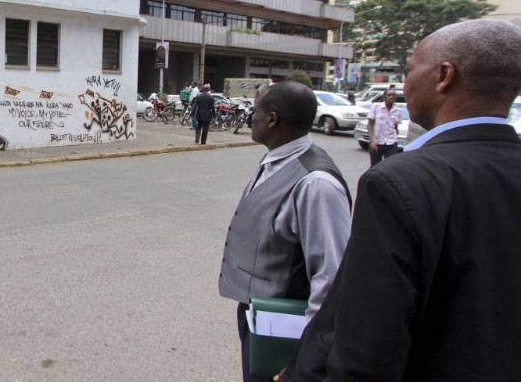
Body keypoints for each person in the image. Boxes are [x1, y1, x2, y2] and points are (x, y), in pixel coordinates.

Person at [279, 19, 521, 382]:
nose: (404, 85)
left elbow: (367, 348)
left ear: (444, 76)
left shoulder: (400, 183)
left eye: (409, 70)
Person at [218, 82, 352, 382]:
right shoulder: (277, 158)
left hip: (287, 328)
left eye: (255, 112)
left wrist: (307, 354)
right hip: (260, 313)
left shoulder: (317, 184)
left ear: (273, 120)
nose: (250, 117)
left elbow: (331, 278)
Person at [366, 89, 401, 165]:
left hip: (391, 142)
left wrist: (396, 138)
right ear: (384, 97)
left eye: (393, 95)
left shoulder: (397, 110)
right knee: (375, 165)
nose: (391, 97)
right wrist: (372, 141)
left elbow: (395, 126)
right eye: (389, 95)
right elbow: (369, 124)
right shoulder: (376, 107)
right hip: (377, 142)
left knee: (390, 165)